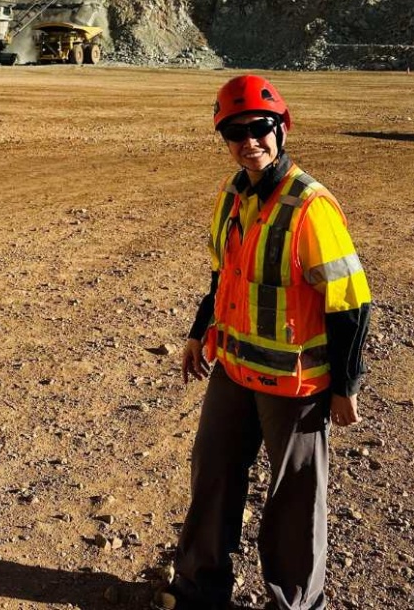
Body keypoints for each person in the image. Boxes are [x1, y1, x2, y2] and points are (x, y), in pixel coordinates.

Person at [156, 75, 372, 610]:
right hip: (232, 367)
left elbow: (351, 301)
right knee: (212, 476)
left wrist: (344, 386)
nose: (249, 141)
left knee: (295, 497)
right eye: (235, 132)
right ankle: (198, 590)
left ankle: (295, 602)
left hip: (294, 383)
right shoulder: (232, 195)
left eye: (259, 129)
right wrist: (196, 332)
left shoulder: (310, 206)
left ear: (282, 127)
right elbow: (222, 275)